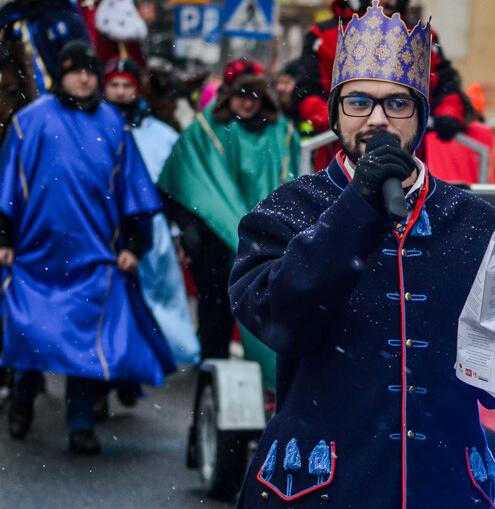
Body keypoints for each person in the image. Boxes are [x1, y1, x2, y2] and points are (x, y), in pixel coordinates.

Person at [218, 2, 495, 509]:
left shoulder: (477, 225)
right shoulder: (285, 213)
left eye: (397, 103)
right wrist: (360, 211)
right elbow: (281, 323)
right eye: (359, 102)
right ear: (336, 113)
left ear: (420, 116)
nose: (377, 119)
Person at [0, 41, 172, 455]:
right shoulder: (29, 122)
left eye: (91, 72)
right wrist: (4, 239)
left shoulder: (113, 125)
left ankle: (80, 424)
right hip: (35, 257)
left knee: (83, 346)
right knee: (34, 336)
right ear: (61, 75)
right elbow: (6, 187)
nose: (84, 78)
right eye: (76, 71)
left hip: (94, 257)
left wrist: (134, 243)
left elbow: (134, 189)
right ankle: (22, 400)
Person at [157, 58, 298, 388]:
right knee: (216, 315)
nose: (248, 103)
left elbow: (293, 182)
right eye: (240, 95)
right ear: (227, 97)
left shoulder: (281, 133)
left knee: (267, 310)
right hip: (216, 244)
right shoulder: (205, 131)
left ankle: (269, 387)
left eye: (254, 96)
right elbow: (177, 182)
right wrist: (191, 231)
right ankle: (212, 384)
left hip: (268, 242)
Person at [293, 0, 469, 171]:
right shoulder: (325, 37)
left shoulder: (420, 37)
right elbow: (306, 92)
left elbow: (445, 84)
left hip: (405, 155)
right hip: (338, 155)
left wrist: (448, 113)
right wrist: (344, 119)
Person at [103, 56, 200, 368]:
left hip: (153, 231)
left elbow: (175, 189)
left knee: (156, 298)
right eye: (113, 85)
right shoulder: (92, 130)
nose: (119, 92)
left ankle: (151, 358)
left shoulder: (162, 134)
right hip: (105, 228)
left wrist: (177, 233)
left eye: (126, 85)